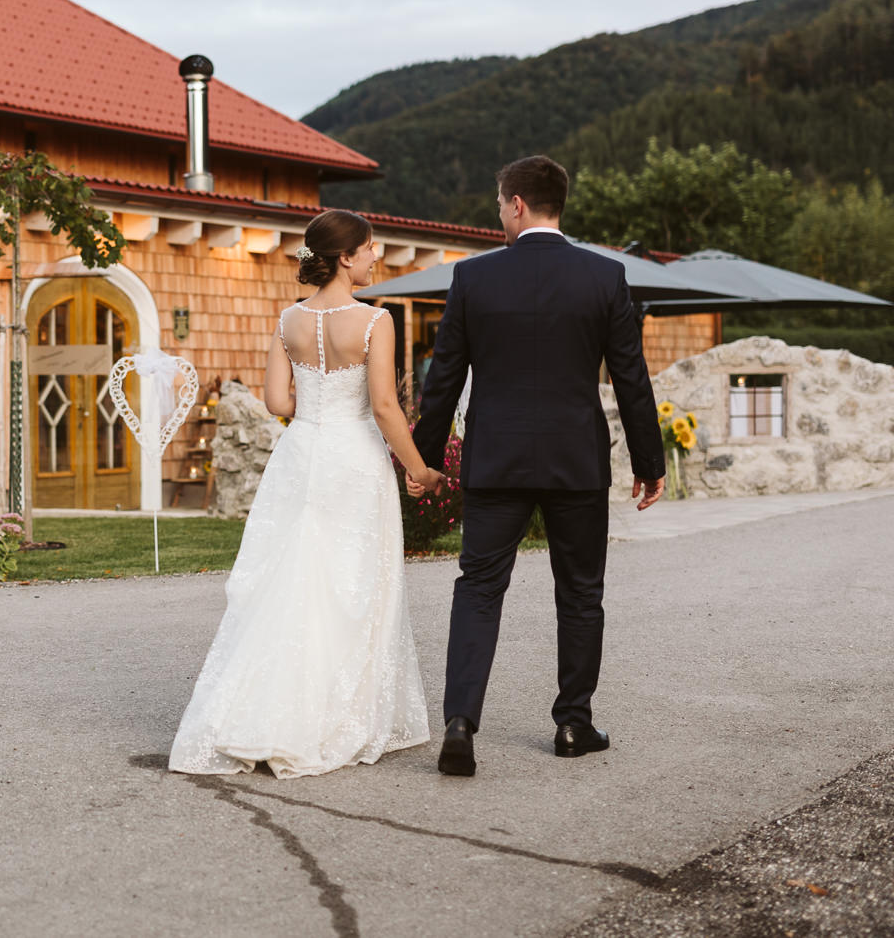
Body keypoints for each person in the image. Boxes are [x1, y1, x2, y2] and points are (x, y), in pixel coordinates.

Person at [412, 155, 666, 778]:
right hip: (576, 460)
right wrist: (649, 460)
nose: (498, 214)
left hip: (496, 459)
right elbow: (630, 377)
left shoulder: (473, 278)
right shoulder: (605, 277)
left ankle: (460, 723)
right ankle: (574, 725)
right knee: (580, 594)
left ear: (518, 204)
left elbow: (443, 378)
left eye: (500, 204)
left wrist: (422, 459)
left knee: (478, 589)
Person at [169, 210, 444, 779]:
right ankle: (333, 716)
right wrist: (419, 468)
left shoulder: (288, 318)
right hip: (354, 462)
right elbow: (387, 407)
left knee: (290, 582)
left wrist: (317, 407)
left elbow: (276, 401)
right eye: (370, 249)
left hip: (301, 457)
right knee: (352, 585)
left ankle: (262, 711)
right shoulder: (375, 322)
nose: (376, 258)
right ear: (346, 257)